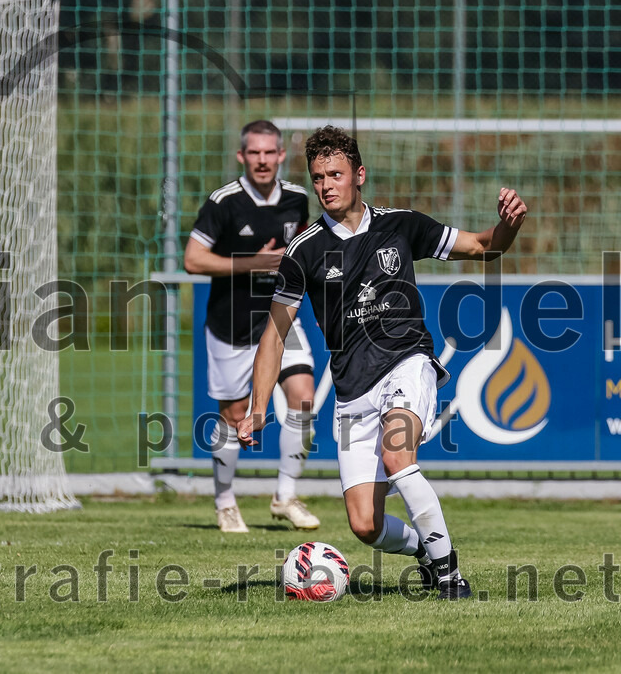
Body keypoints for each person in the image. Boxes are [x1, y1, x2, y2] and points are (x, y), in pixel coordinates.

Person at [237, 125, 528, 599]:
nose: (326, 185)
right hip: (353, 389)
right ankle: (427, 554)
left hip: (406, 362)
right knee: (365, 525)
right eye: (317, 177)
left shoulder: (401, 225)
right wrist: (257, 407)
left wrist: (509, 224)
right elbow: (274, 334)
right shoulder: (303, 251)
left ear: (359, 175)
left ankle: (451, 576)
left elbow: (483, 246)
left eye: (335, 174)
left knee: (398, 456)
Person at [185, 120, 320, 533]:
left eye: (270, 152)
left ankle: (285, 495)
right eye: (254, 153)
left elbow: (299, 251)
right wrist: (253, 263)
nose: (263, 160)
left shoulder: (298, 199)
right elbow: (193, 260)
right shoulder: (223, 202)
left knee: (303, 396)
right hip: (231, 325)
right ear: (242, 156)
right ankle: (225, 501)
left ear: (281, 155)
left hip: (279, 319)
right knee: (234, 416)